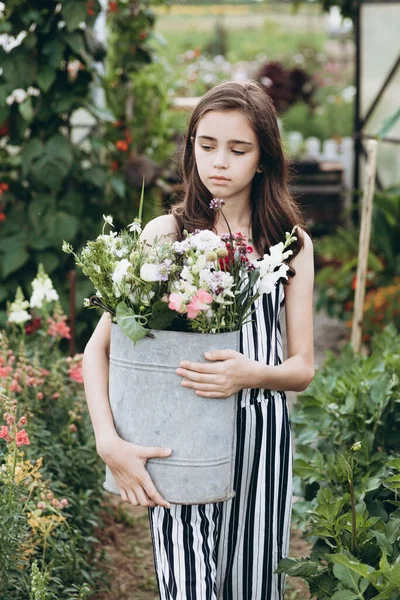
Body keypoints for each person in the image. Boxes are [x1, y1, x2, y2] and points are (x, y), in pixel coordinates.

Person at [82, 80, 315, 600]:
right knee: (189, 587)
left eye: (238, 149)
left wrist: (252, 373)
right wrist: (108, 442)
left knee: (252, 585)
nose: (220, 162)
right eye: (206, 145)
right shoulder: (166, 235)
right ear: (190, 148)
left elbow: (302, 367)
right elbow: (99, 348)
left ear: (264, 159)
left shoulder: (290, 245)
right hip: (179, 431)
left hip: (261, 436)